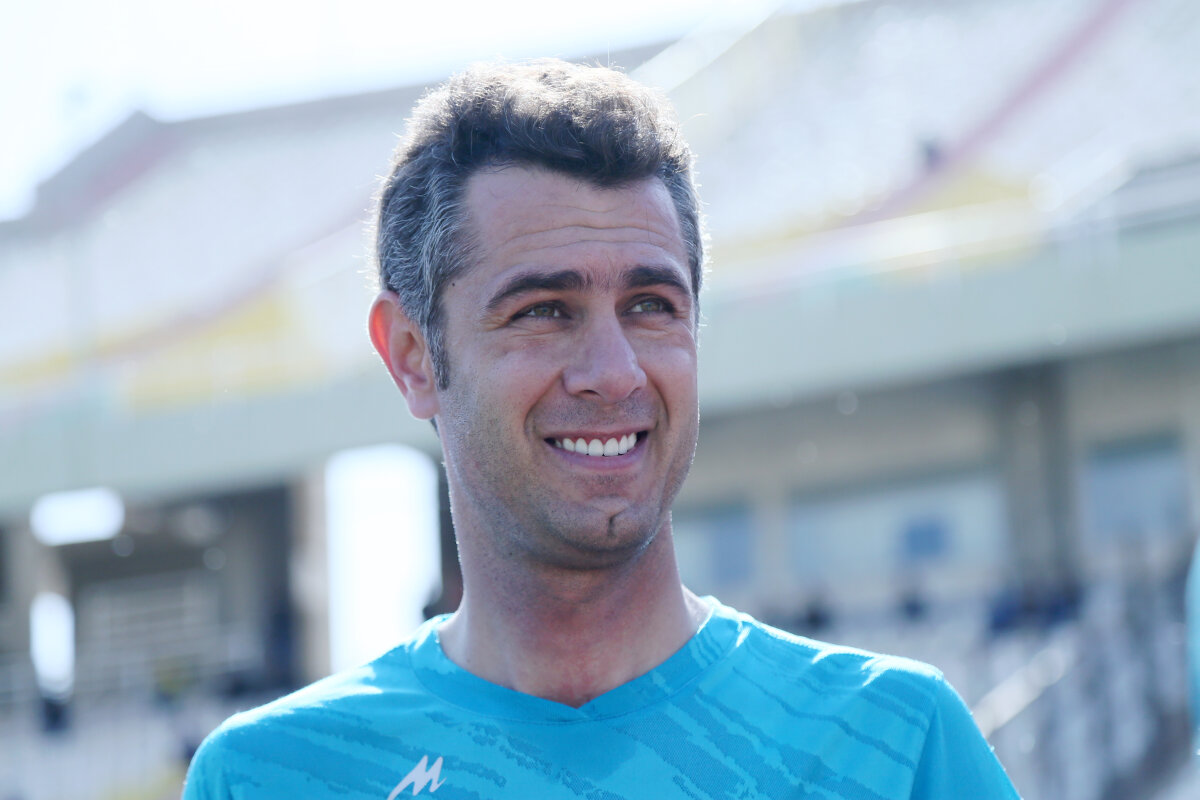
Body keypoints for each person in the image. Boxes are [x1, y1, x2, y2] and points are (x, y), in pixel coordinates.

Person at [183, 59, 1020, 799]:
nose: (615, 372)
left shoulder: (894, 743)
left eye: (651, 306)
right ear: (412, 356)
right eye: (543, 310)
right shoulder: (271, 778)